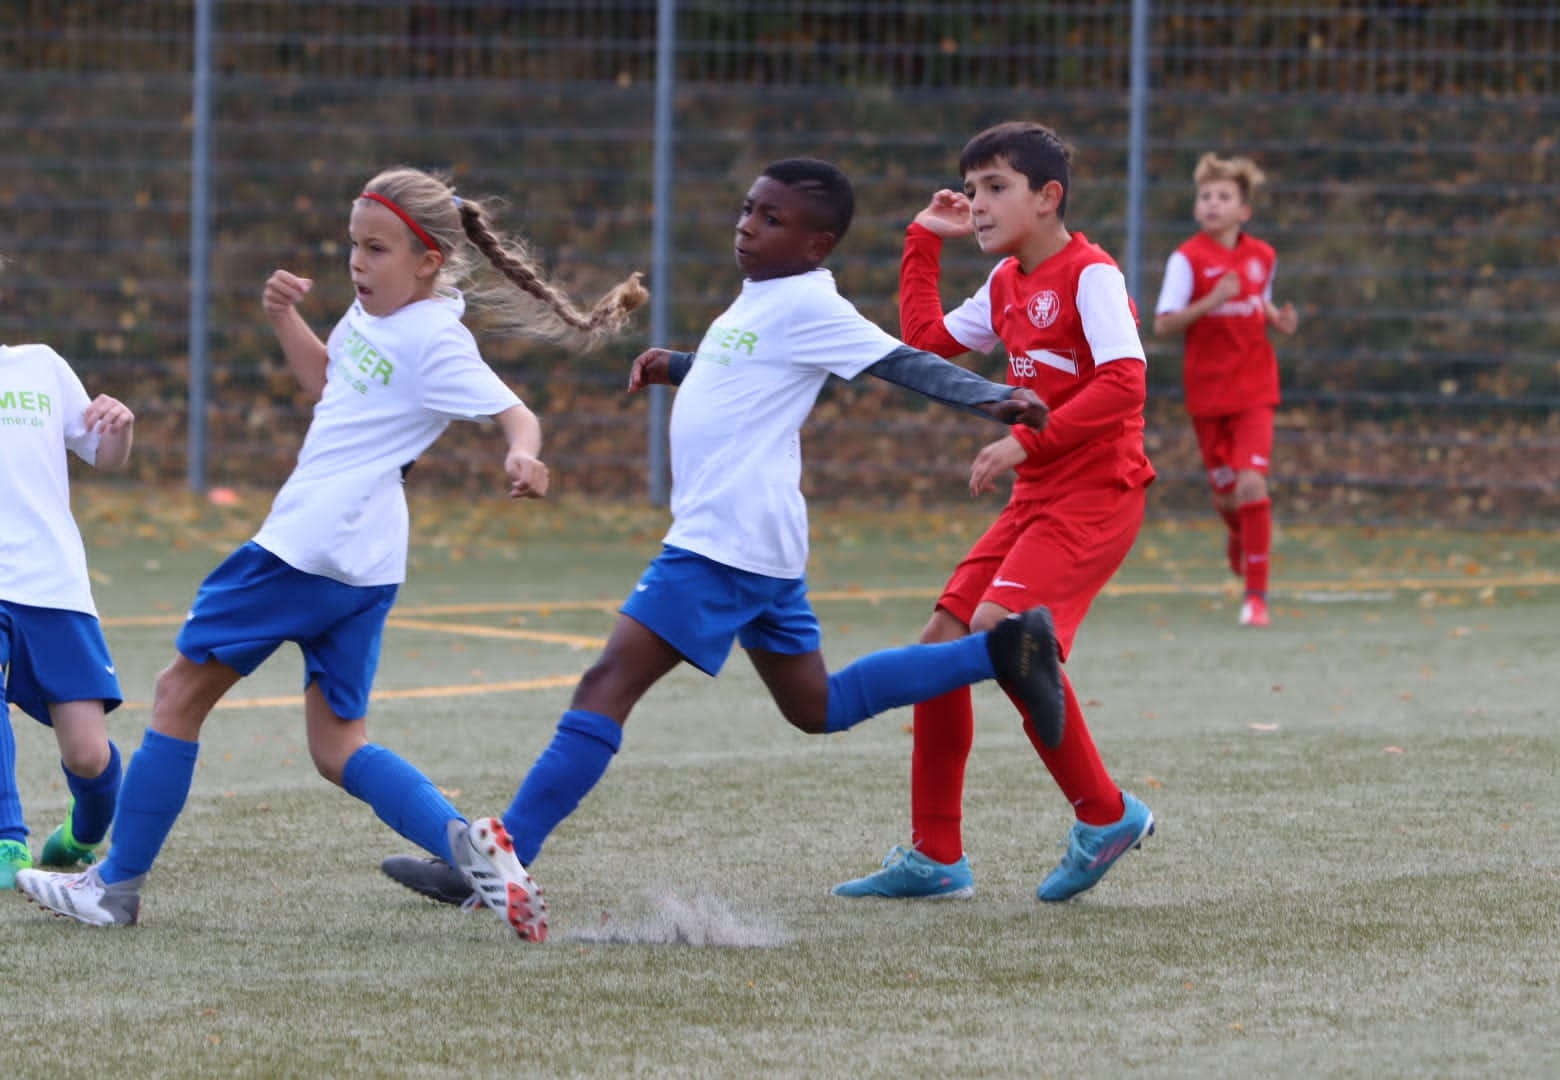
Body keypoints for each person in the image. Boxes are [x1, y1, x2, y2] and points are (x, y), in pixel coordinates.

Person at [376, 157, 1067, 928]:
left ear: (817, 245)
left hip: (723, 541)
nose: (748, 226)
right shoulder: (764, 296)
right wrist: (679, 365)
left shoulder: (810, 302)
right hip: (755, 541)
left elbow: (897, 361)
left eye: (772, 219)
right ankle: (1002, 652)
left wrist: (994, 397)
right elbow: (753, 370)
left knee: (607, 684)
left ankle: (499, 859)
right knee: (817, 705)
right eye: (747, 209)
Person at [15, 167, 647, 941]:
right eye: (354, 244)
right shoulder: (372, 312)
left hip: (304, 547)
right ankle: (470, 847)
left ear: (428, 262)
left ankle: (113, 888)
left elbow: (515, 413)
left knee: (178, 695)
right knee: (337, 745)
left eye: (376, 250)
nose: (356, 262)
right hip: (365, 565)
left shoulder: (435, 339)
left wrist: (524, 453)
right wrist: (285, 317)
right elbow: (328, 381)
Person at [831, 121, 1157, 904]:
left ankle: (1105, 814)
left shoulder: (1091, 275)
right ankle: (936, 856)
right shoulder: (1006, 282)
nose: (976, 203)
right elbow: (924, 344)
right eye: (971, 188)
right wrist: (922, 240)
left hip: (1099, 493)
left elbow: (1125, 384)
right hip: (1038, 497)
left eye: (995, 188)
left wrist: (1026, 438)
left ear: (1049, 197)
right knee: (940, 648)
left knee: (1000, 632)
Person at [0, 333, 135, 891]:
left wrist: (120, 426)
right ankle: (8, 840)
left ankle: (83, 833)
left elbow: (105, 454)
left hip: (52, 581)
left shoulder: (39, 365)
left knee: (87, 755)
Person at [1152, 152, 1299, 628]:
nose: (1212, 203)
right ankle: (1239, 532)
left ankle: (1256, 599)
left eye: (1223, 196)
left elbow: (1260, 301)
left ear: (1244, 210)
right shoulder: (1186, 260)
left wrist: (1277, 319)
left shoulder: (1263, 256)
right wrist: (1211, 300)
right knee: (1229, 497)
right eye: (1205, 196)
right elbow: (1163, 324)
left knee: (1252, 482)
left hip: (1255, 387)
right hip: (1208, 393)